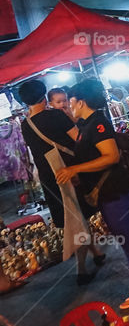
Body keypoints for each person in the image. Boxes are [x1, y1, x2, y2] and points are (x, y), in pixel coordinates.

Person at [55, 79, 129, 317]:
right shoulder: (85, 125)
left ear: (80, 101)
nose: (68, 106)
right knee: (125, 242)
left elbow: (111, 156)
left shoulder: (98, 123)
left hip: (115, 191)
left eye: (70, 101)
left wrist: (76, 170)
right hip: (106, 194)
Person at [19, 80, 104, 284]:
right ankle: (81, 271)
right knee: (77, 218)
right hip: (69, 173)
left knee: (74, 216)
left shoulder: (26, 125)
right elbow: (78, 139)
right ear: (44, 96)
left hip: (49, 178)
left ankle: (97, 254)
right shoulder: (56, 116)